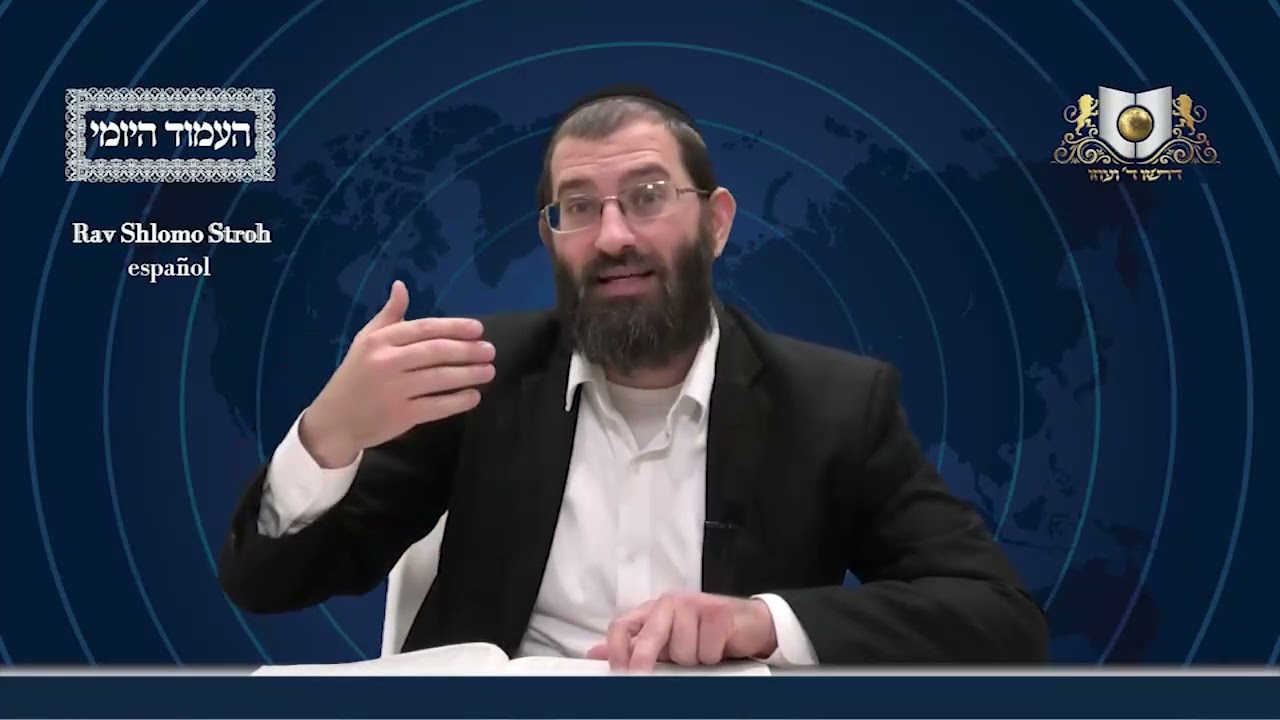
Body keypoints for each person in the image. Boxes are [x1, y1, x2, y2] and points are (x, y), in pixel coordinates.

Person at [218, 84, 1050, 671]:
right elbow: (266, 584)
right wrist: (329, 436)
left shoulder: (835, 405)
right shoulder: (477, 378)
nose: (613, 235)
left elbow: (999, 617)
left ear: (714, 224)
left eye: (647, 196)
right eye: (579, 206)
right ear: (552, 238)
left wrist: (761, 622)